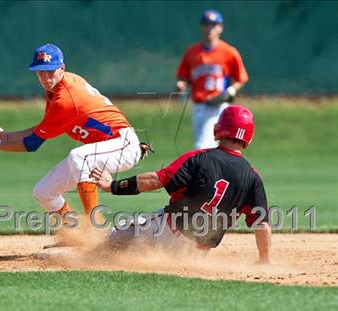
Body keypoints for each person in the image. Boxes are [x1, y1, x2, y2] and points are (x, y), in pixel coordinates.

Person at [0, 43, 149, 227]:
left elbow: (32, 144)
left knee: (79, 156)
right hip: (104, 149)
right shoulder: (56, 88)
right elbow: (41, 129)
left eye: (50, 70)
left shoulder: (65, 98)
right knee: (44, 192)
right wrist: (5, 136)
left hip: (122, 144)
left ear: (62, 68)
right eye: (40, 71)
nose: (45, 77)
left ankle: (97, 229)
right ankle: (79, 233)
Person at [91, 105, 271, 263]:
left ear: (219, 128)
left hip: (168, 232)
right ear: (249, 136)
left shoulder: (200, 158)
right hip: (198, 253)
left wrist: (113, 186)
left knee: (119, 236)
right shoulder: (253, 177)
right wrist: (265, 261)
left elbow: (154, 180)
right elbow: (261, 224)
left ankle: (87, 261)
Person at [176, 9, 249, 149]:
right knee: (212, 150)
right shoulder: (192, 52)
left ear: (220, 27)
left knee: (201, 147)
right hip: (198, 107)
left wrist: (232, 90)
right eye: (206, 24)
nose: (210, 27)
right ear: (201, 27)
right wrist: (182, 84)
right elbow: (183, 77)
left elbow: (242, 78)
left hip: (218, 107)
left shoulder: (229, 52)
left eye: (213, 24)